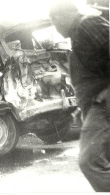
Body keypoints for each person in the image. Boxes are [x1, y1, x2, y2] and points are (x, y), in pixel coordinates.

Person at [49, 0, 110, 192]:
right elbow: (92, 72)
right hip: (95, 106)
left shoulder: (88, 25)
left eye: (55, 20)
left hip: (102, 104)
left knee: (89, 162)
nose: (55, 27)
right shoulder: (78, 34)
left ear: (64, 15)